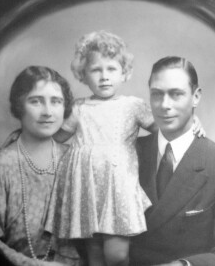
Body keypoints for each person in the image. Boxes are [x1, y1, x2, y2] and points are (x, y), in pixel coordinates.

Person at [44, 32, 205, 266]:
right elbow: (57, 136)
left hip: (117, 188)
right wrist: (27, 135)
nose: (104, 77)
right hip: (86, 187)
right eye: (95, 70)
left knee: (117, 255)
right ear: (83, 75)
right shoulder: (79, 108)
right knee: (95, 255)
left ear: (124, 73)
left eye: (111, 69)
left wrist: (191, 122)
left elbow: (165, 127)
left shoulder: (132, 106)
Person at [129, 56, 215, 266]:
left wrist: (182, 265)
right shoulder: (127, 153)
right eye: (157, 94)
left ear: (196, 97)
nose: (164, 105)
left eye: (176, 94)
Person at [0, 66, 80, 266]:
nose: (48, 112)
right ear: (19, 106)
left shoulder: (76, 160)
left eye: (56, 102)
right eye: (36, 101)